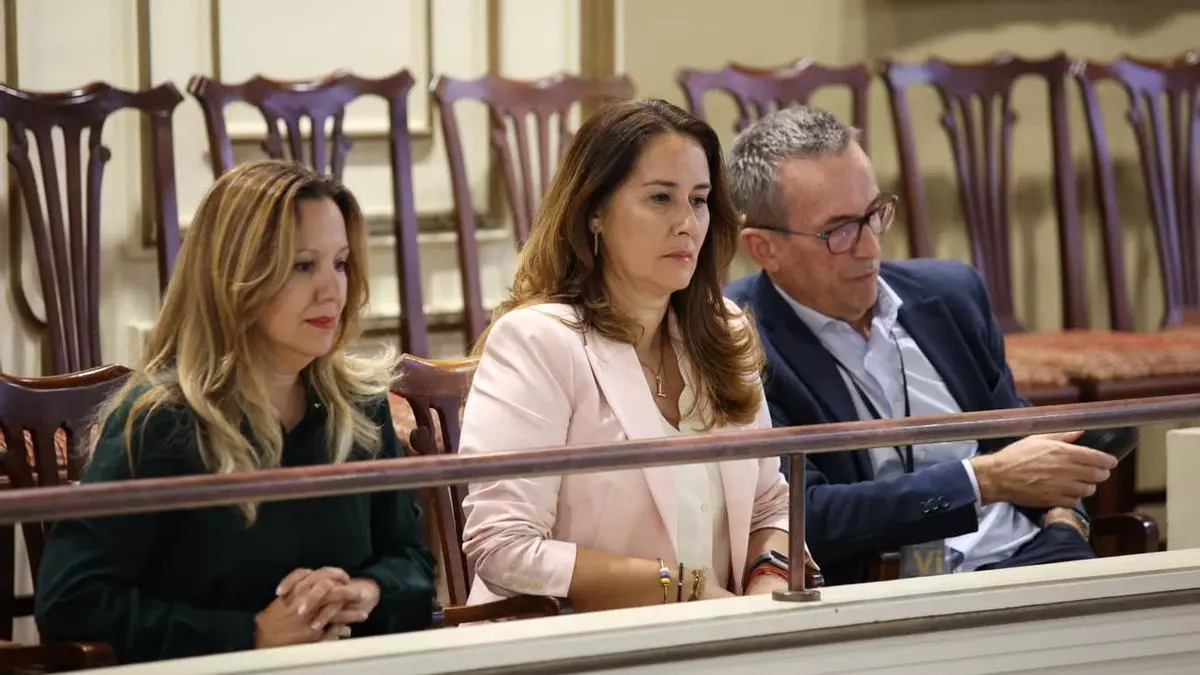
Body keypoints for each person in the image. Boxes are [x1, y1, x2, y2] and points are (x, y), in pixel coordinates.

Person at [34, 160, 435, 663]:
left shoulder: (361, 407)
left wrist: (366, 592)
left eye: (340, 263)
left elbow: (412, 562)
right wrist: (251, 633)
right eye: (303, 265)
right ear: (235, 276)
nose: (333, 290)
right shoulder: (161, 420)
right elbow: (72, 603)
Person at [723, 105, 1118, 586]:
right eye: (840, 231)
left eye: (875, 214)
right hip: (893, 587)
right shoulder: (738, 340)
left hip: (1036, 555)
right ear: (764, 248)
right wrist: (982, 480)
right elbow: (801, 513)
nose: (870, 247)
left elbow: (1022, 438)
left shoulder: (952, 294)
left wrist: (1066, 521)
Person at [458, 99, 814, 612]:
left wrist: (767, 581)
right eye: (660, 198)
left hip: (723, 635)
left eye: (698, 200)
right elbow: (504, 547)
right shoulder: (537, 341)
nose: (687, 223)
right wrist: (682, 586)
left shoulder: (725, 330)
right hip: (573, 639)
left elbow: (769, 504)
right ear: (594, 212)